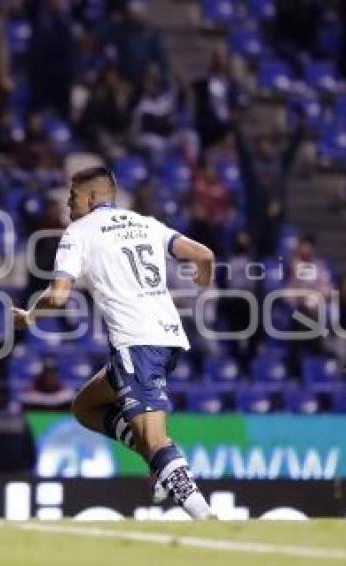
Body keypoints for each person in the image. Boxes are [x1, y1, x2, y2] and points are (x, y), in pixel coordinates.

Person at [12, 166, 216, 519]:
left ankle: (205, 515)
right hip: (168, 339)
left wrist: (30, 316)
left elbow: (59, 296)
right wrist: (203, 281)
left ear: (91, 198)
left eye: (73, 196)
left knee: (155, 441)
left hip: (136, 342)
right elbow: (204, 255)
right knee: (86, 407)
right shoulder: (145, 223)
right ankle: (160, 462)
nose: (67, 203)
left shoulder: (79, 232)